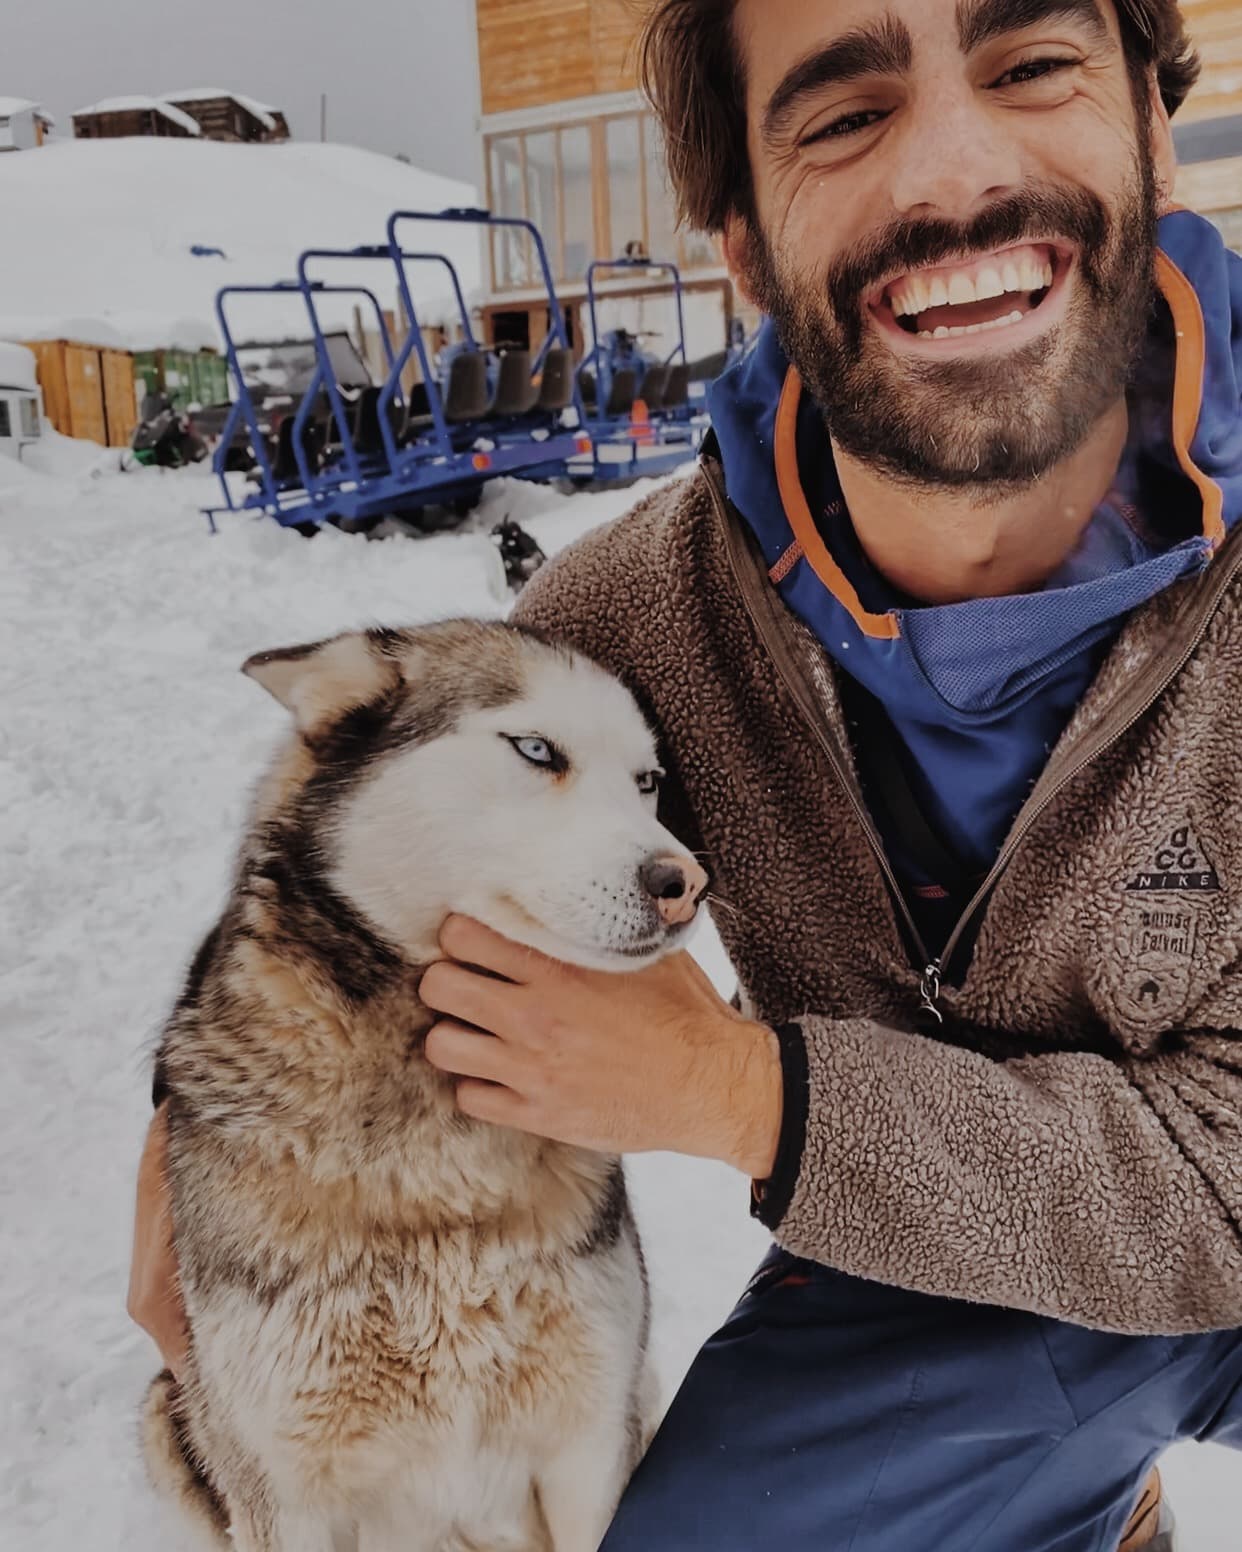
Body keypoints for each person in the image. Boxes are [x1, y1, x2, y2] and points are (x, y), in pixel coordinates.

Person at [130, 0, 1242, 1545]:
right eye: (842, 115)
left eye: (1029, 66)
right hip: (939, 1259)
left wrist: (743, 1092)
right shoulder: (626, 627)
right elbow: (389, 810)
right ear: (742, 246)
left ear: (1148, 138)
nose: (951, 166)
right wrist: (190, 1144)